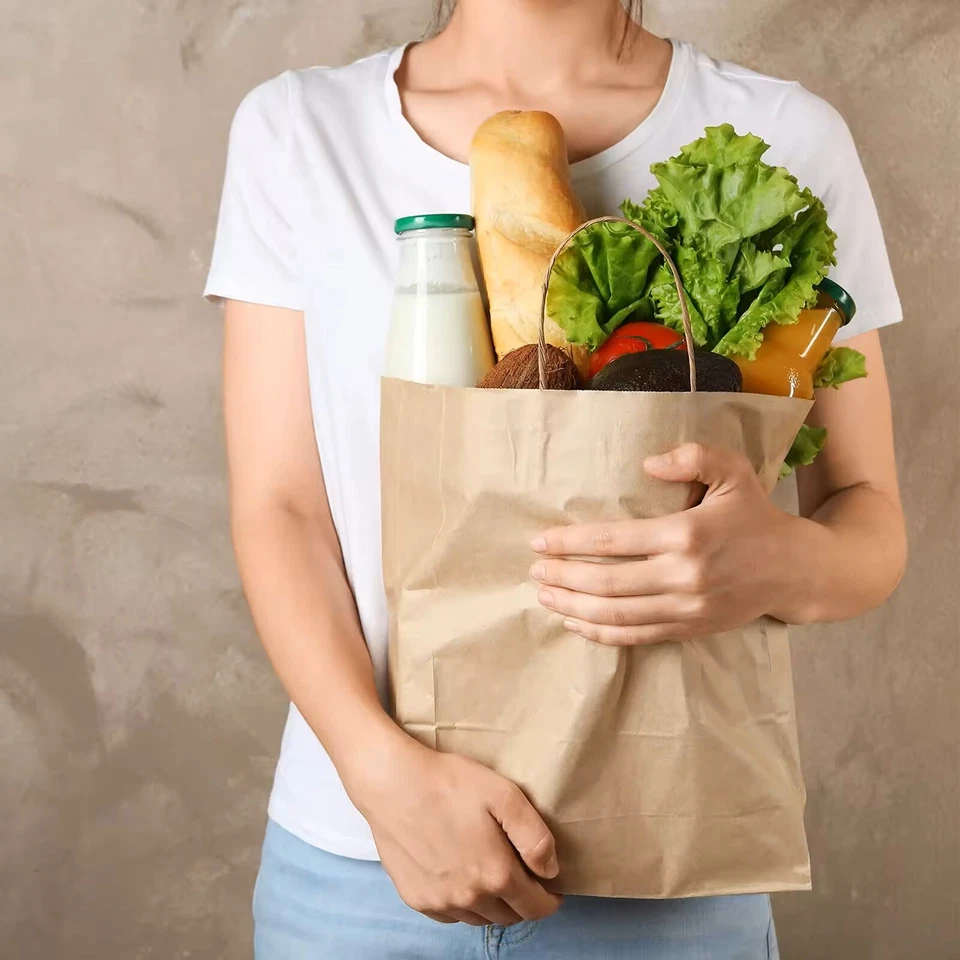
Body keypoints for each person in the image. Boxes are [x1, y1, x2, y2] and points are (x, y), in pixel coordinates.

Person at [204, 0, 906, 956]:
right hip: (361, 864)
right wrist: (383, 779)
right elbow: (281, 509)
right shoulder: (300, 131)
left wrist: (772, 562)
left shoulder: (785, 135)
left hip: (668, 866)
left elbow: (870, 522)